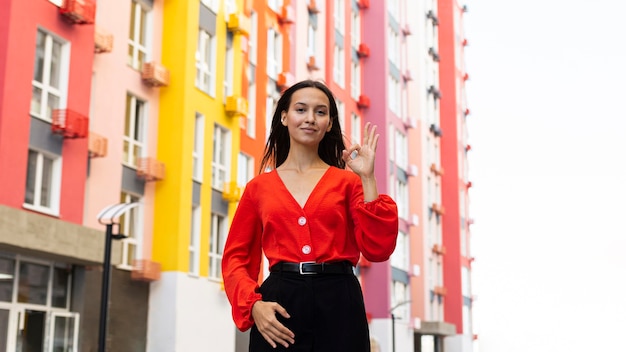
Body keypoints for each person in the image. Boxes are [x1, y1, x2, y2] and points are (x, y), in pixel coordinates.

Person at [222, 80, 399, 351]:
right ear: (284, 117)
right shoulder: (258, 188)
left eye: (320, 112)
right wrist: (253, 305)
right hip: (279, 308)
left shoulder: (349, 183)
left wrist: (367, 179)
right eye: (301, 110)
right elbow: (236, 258)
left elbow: (378, 249)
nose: (310, 119)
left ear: (329, 123)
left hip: (340, 302)